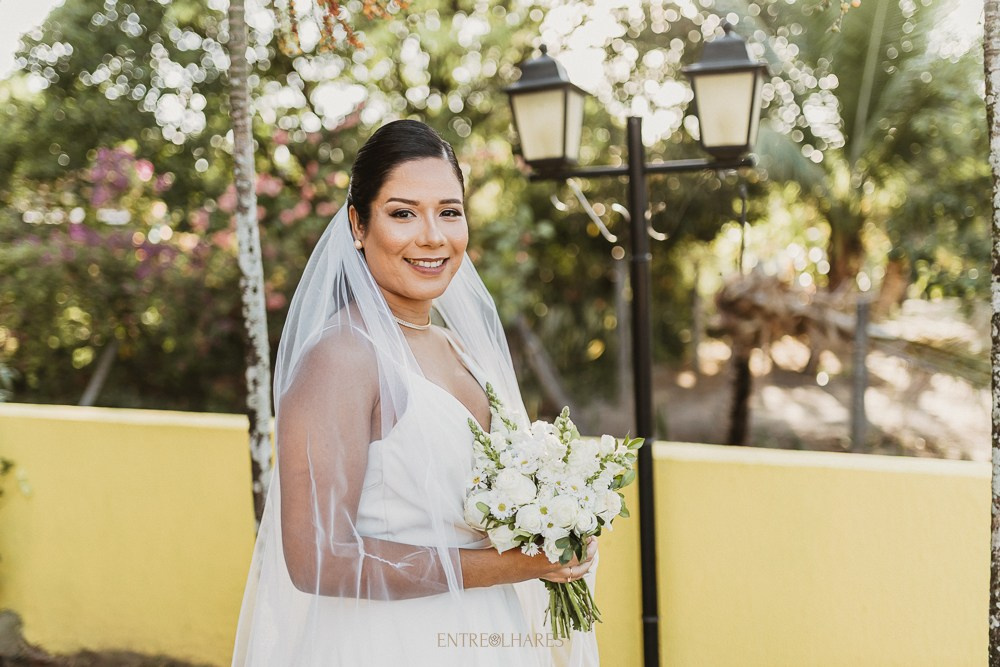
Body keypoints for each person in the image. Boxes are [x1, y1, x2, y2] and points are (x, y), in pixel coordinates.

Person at [232, 119, 600, 666]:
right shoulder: (342, 358)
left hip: (491, 637)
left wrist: (559, 523)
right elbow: (319, 559)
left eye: (449, 211)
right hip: (388, 645)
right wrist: (514, 565)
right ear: (358, 225)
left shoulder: (461, 351)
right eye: (403, 213)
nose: (432, 236)